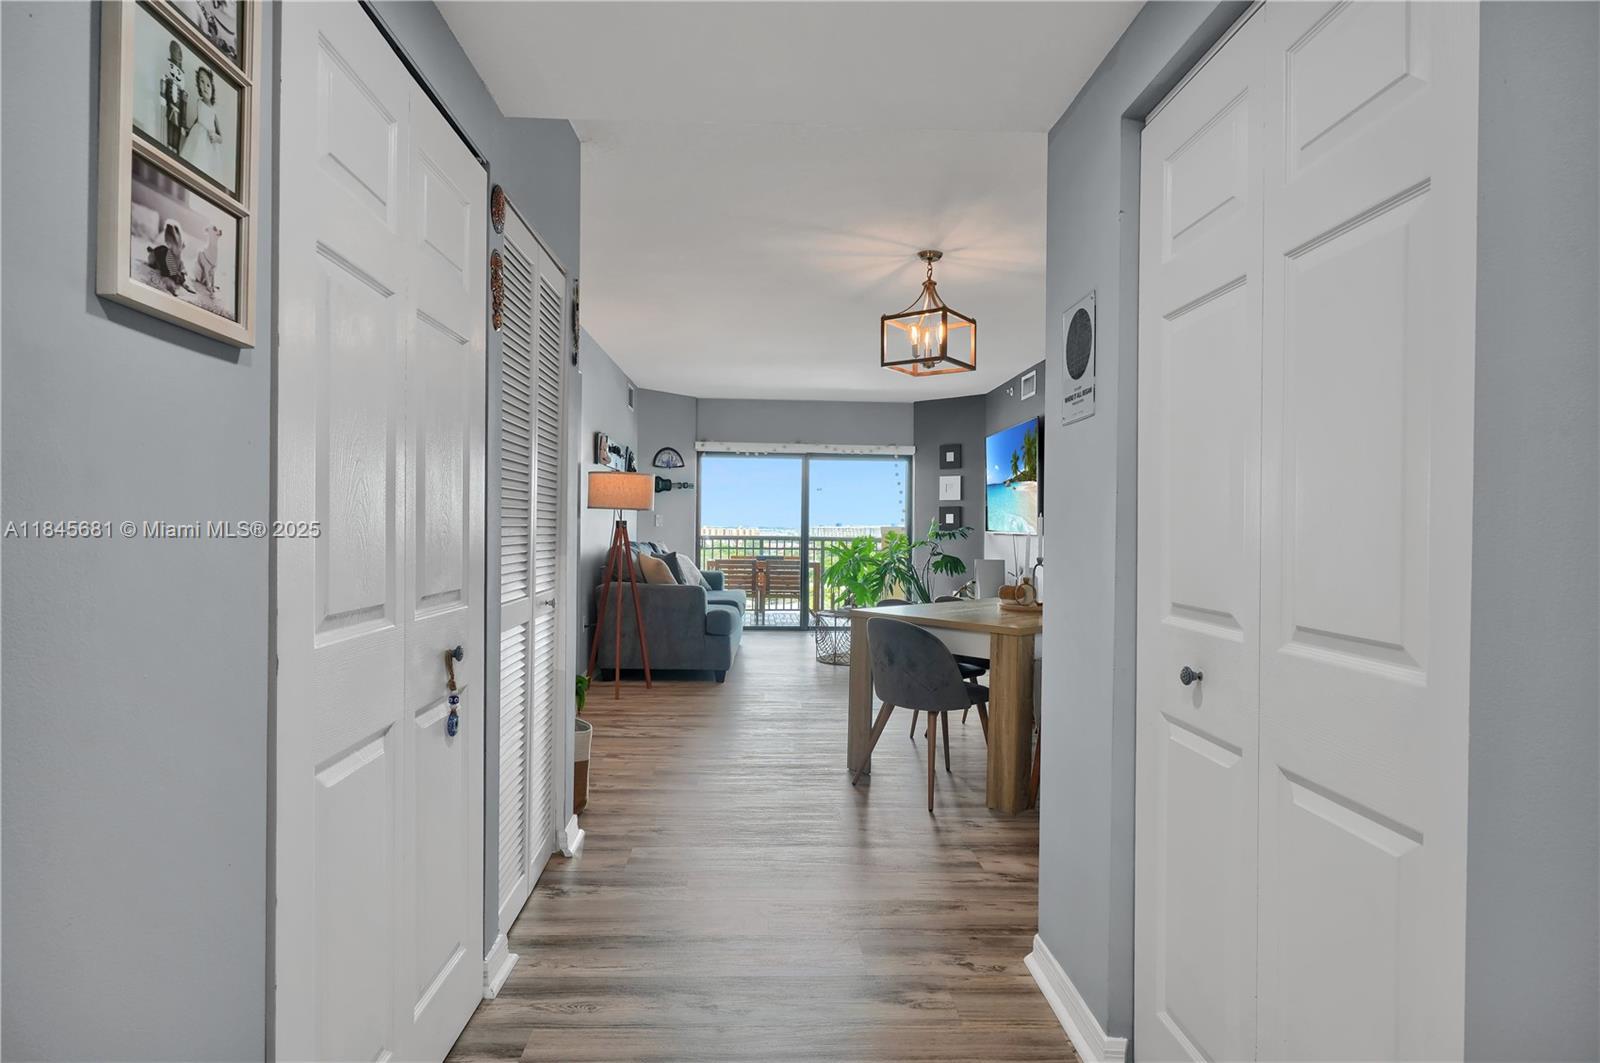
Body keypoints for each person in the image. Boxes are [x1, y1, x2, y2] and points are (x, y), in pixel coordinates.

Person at [180, 66, 223, 180]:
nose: (205, 86)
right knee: (192, 161)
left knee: (204, 165)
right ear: (198, 85)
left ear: (212, 88)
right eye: (202, 82)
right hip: (197, 135)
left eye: (208, 84)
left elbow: (221, 137)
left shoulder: (213, 110)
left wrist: (215, 137)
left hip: (208, 140)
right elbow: (198, 119)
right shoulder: (199, 102)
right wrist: (189, 130)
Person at [159, 40, 186, 153]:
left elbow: (183, 105)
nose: (180, 55)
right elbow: (163, 93)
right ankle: (168, 150)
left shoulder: (181, 87)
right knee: (169, 130)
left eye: (180, 52)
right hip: (170, 111)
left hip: (178, 115)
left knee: (176, 133)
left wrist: (184, 123)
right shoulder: (167, 78)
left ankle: (175, 151)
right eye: (176, 52)